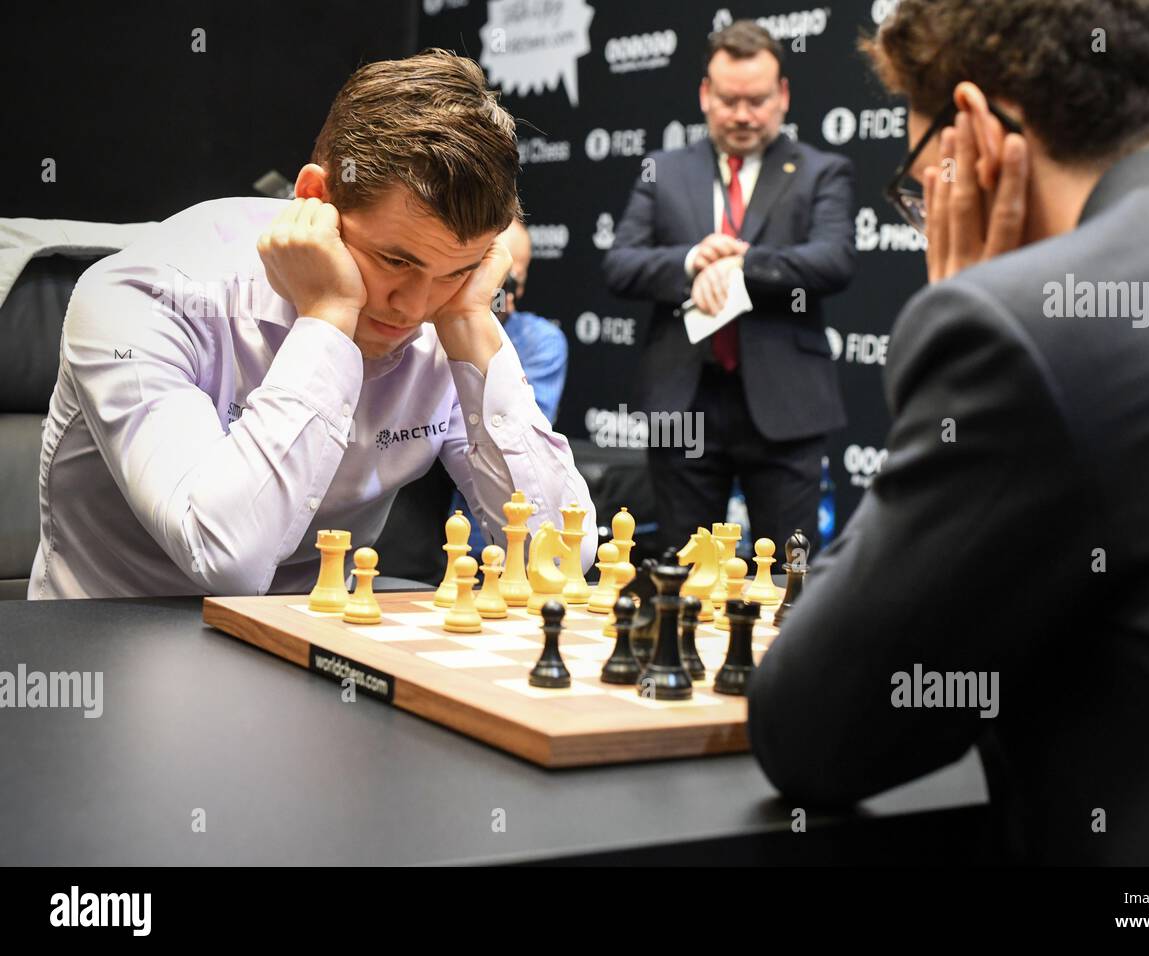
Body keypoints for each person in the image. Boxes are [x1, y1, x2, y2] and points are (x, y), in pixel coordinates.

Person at [747, 0, 1149, 864]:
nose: (923, 209)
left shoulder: (1025, 321)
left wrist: (963, 322)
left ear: (975, 132)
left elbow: (812, 734)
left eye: (919, 179)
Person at [28, 49, 595, 600]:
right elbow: (224, 558)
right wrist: (327, 319)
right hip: (114, 647)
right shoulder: (146, 294)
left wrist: (471, 320)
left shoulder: (448, 312)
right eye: (397, 261)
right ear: (315, 197)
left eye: (457, 270)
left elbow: (558, 557)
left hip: (317, 643)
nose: (413, 308)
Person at [603, 19, 854, 555]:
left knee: (788, 578)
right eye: (729, 99)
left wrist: (746, 261)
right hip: (684, 399)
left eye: (757, 100)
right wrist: (694, 260)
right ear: (704, 94)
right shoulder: (662, 171)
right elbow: (620, 265)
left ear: (783, 95)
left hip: (785, 405)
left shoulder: (821, 170)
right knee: (684, 573)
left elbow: (834, 261)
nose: (742, 114)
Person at [451, 218, 568, 552]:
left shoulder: (541, 341)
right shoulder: (425, 327)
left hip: (499, 536)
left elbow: (511, 442)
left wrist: (480, 327)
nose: (507, 285)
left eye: (518, 274)